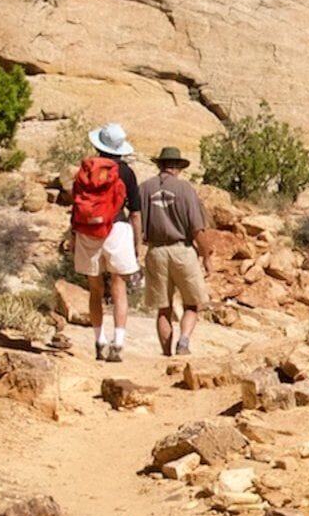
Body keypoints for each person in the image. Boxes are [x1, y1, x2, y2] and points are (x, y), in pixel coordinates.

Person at [64, 122, 144, 363]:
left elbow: (76, 206)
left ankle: (99, 340)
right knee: (118, 286)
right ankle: (118, 343)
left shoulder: (86, 170)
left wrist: (74, 236)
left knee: (95, 288)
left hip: (88, 230)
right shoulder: (126, 172)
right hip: (117, 228)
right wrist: (137, 242)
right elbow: (136, 212)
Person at [135, 143, 213, 357]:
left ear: (160, 165)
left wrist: (136, 248)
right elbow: (197, 228)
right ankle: (184, 342)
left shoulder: (144, 188)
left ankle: (166, 354)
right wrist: (206, 256)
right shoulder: (185, 189)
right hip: (182, 250)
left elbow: (136, 220)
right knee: (192, 303)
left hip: (156, 251)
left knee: (163, 308)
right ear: (178, 167)